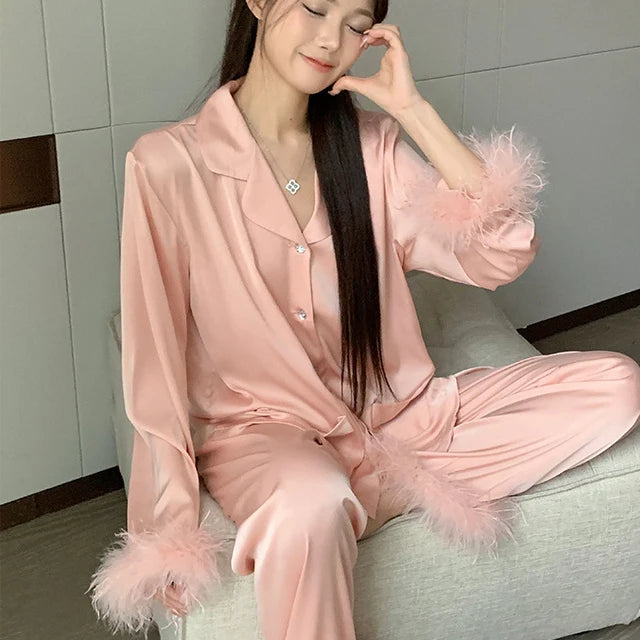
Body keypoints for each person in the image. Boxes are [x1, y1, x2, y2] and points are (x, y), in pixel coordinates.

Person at [86, 1, 640, 638]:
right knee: (310, 501)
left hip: (401, 423)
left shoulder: (373, 147)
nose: (331, 39)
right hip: (264, 436)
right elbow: (153, 355)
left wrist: (413, 111)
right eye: (315, 7)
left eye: (355, 24)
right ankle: (346, 496)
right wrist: (169, 525)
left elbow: (502, 253)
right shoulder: (166, 164)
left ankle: (368, 491)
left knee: (616, 385)